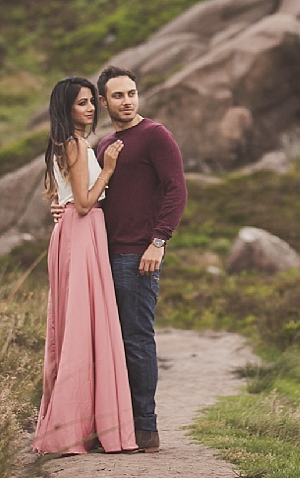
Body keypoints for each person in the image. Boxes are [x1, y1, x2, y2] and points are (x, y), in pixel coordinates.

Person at [32, 76, 137, 455]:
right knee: (81, 326)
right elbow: (83, 202)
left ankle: (77, 424)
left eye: (92, 101)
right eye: (82, 103)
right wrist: (108, 168)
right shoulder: (76, 144)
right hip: (81, 230)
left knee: (79, 324)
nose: (91, 108)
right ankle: (75, 427)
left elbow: (60, 196)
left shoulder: (64, 144)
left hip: (74, 235)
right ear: (66, 108)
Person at [92, 65, 187, 454]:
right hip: (103, 256)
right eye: (118, 95)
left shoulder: (155, 136)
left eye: (131, 93)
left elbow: (176, 189)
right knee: (108, 342)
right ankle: (114, 425)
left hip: (138, 255)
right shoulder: (103, 146)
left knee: (136, 339)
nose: (127, 101)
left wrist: (158, 240)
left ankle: (145, 428)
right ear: (104, 102)